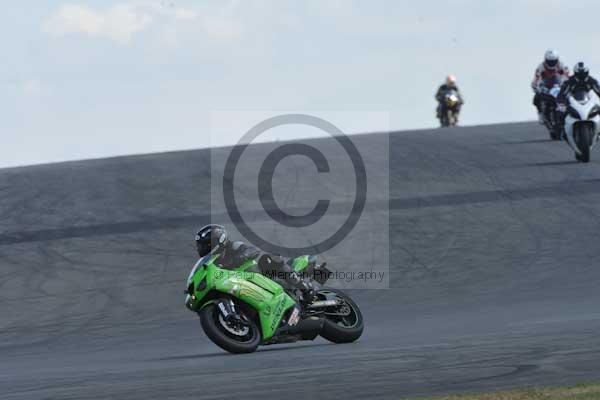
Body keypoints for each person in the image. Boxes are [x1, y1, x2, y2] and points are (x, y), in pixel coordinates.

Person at [195, 224, 316, 302]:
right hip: (246, 287)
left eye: (207, 245)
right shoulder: (214, 263)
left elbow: (253, 251)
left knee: (268, 259)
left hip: (261, 276)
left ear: (219, 240)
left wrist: (240, 257)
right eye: (202, 246)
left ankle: (304, 288)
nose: (204, 248)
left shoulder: (233, 246)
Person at [556, 62, 600, 132]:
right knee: (559, 112)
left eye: (583, 73)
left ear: (587, 72)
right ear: (575, 73)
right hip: (572, 102)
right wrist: (561, 104)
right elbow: (562, 94)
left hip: (587, 101)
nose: (582, 76)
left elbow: (598, 90)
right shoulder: (570, 81)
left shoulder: (591, 81)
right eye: (580, 74)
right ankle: (560, 130)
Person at [532, 49, 570, 123]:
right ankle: (540, 113)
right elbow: (536, 78)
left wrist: (566, 84)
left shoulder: (561, 65)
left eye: (553, 61)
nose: (552, 63)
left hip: (558, 87)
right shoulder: (541, 67)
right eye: (550, 61)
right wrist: (536, 86)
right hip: (547, 87)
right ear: (546, 60)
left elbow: (567, 76)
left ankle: (570, 113)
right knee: (536, 98)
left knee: (569, 97)